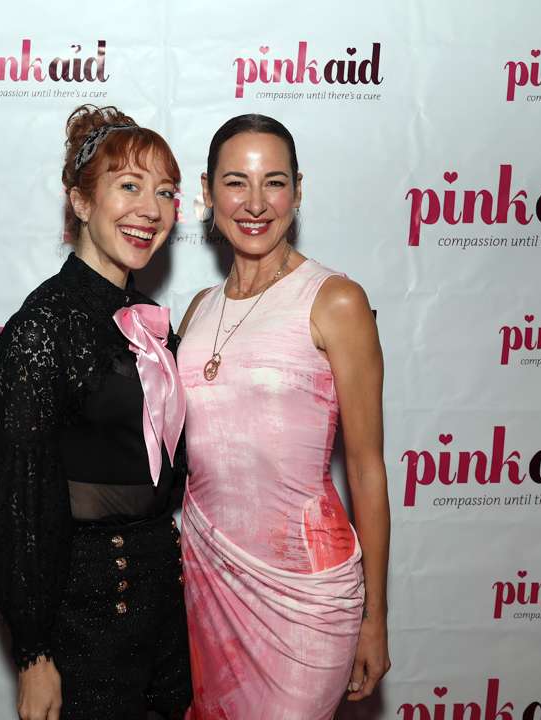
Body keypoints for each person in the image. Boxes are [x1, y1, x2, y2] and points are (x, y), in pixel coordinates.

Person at [0, 105, 191, 720]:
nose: (150, 209)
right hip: (86, 612)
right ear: (80, 201)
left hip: (164, 601)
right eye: (129, 186)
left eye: (165, 192)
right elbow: (16, 501)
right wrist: (34, 653)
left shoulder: (149, 323)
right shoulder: (45, 325)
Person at [177, 114, 391, 720]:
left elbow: (366, 470)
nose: (255, 203)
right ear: (207, 192)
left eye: (274, 182)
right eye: (235, 182)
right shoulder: (197, 310)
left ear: (298, 191)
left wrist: (375, 618)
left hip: (306, 595)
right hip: (209, 580)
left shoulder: (335, 300)